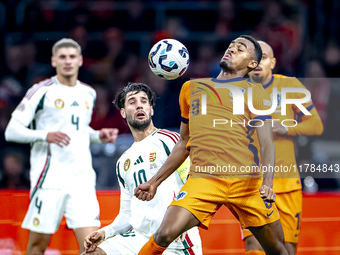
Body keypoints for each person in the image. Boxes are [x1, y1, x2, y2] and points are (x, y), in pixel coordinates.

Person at [135, 35, 289, 255]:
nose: (232, 49)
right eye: (231, 45)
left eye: (240, 48)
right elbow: (184, 142)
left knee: (277, 249)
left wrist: (267, 183)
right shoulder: (191, 89)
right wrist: (154, 182)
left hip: (247, 182)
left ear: (252, 64)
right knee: (164, 234)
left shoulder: (257, 93)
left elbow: (267, 143)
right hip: (204, 180)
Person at [4, 38, 118, 255]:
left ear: (80, 60)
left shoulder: (88, 93)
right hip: (49, 180)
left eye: (72, 56)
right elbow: (11, 131)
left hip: (82, 180)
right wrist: (45, 135)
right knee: (37, 247)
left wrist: (97, 136)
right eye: (63, 57)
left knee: (92, 247)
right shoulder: (41, 91)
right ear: (54, 61)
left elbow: (78, 131)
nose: (68, 61)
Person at [83, 83, 202, 255]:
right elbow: (126, 214)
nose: (139, 105)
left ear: (151, 110)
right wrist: (105, 232)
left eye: (144, 101)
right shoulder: (123, 161)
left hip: (175, 243)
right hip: (138, 239)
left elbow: (194, 184)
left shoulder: (171, 141)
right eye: (132, 101)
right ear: (123, 112)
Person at [241, 41, 323, 255]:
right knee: (254, 246)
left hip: (286, 183)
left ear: (274, 62)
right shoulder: (237, 91)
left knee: (286, 249)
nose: (258, 63)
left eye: (264, 57)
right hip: (252, 183)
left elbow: (316, 125)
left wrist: (286, 127)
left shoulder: (290, 86)